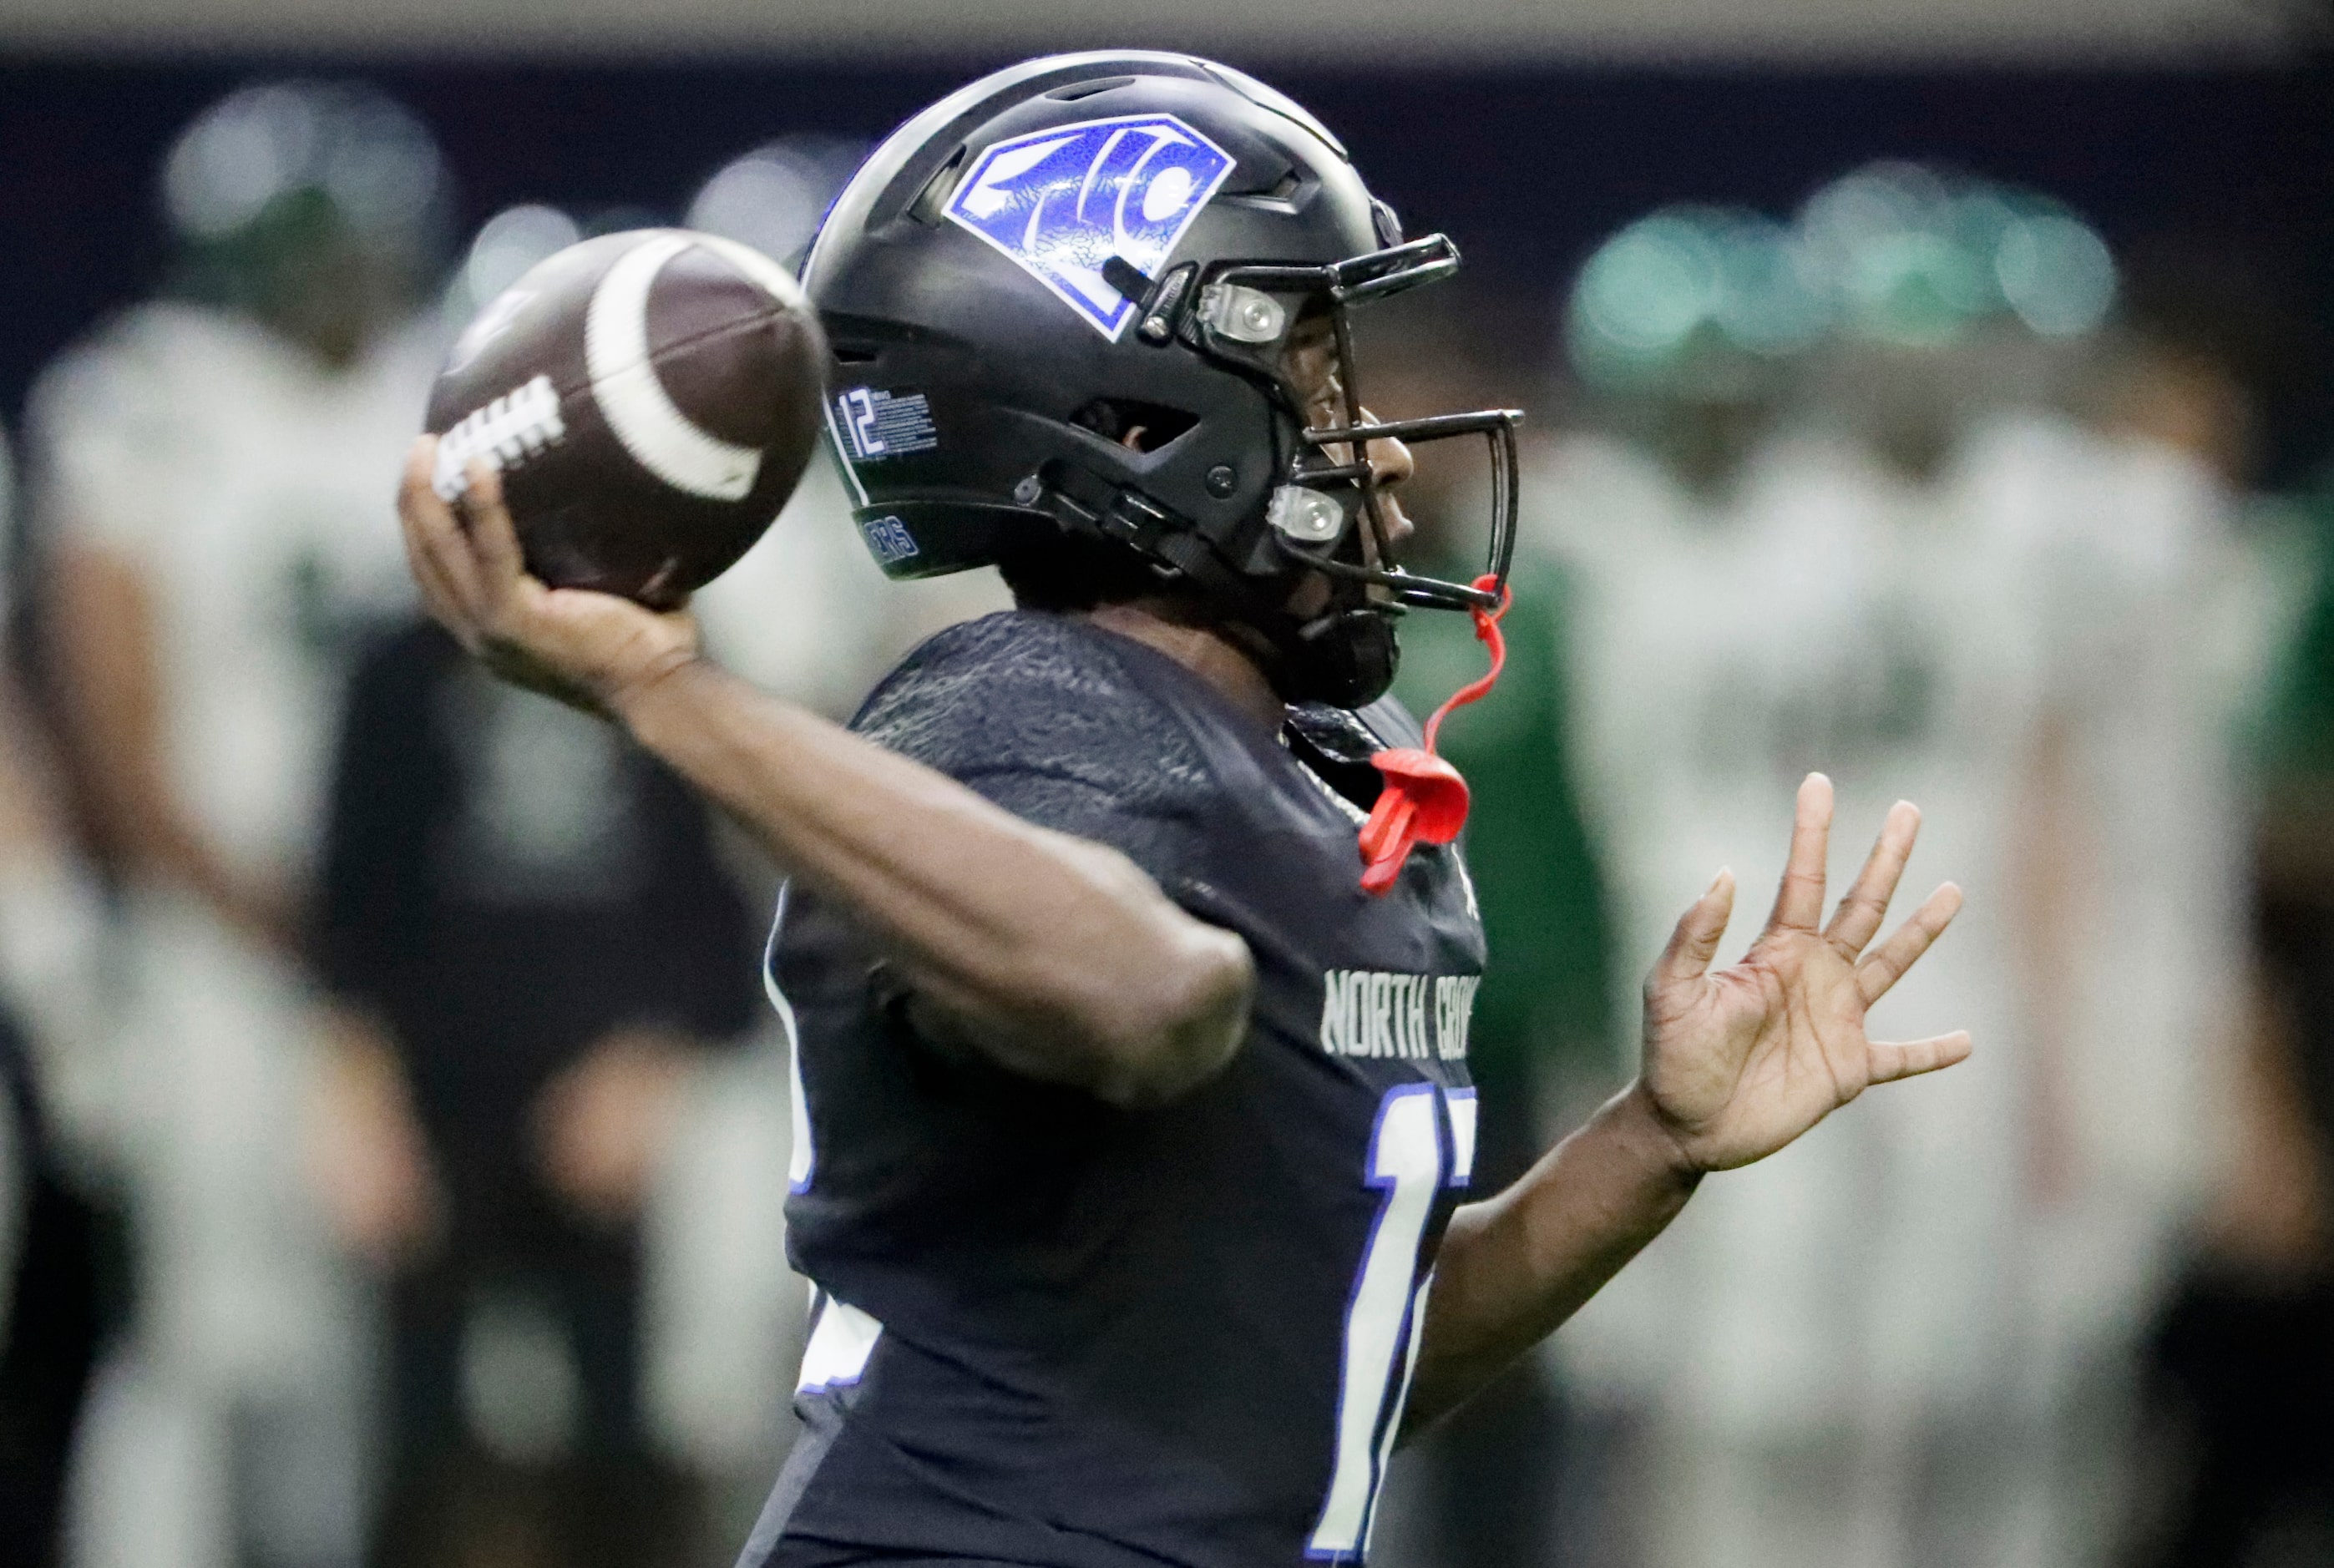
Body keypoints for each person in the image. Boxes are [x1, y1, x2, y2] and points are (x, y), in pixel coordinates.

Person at [397, 53, 1968, 1568]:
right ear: (1136, 418)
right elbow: (1145, 993)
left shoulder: (1315, 759)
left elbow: (1317, 1383)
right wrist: (665, 693)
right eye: (1312, 369)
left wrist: (1648, 1147)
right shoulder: (1025, 700)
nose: (1383, 456)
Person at [27, 81, 448, 1568]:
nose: (342, 280)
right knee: (206, 1331)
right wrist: (268, 908)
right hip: (214, 939)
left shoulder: (430, 382)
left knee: (360, 1332)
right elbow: (113, 722)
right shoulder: (149, 398)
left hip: (393, 939)